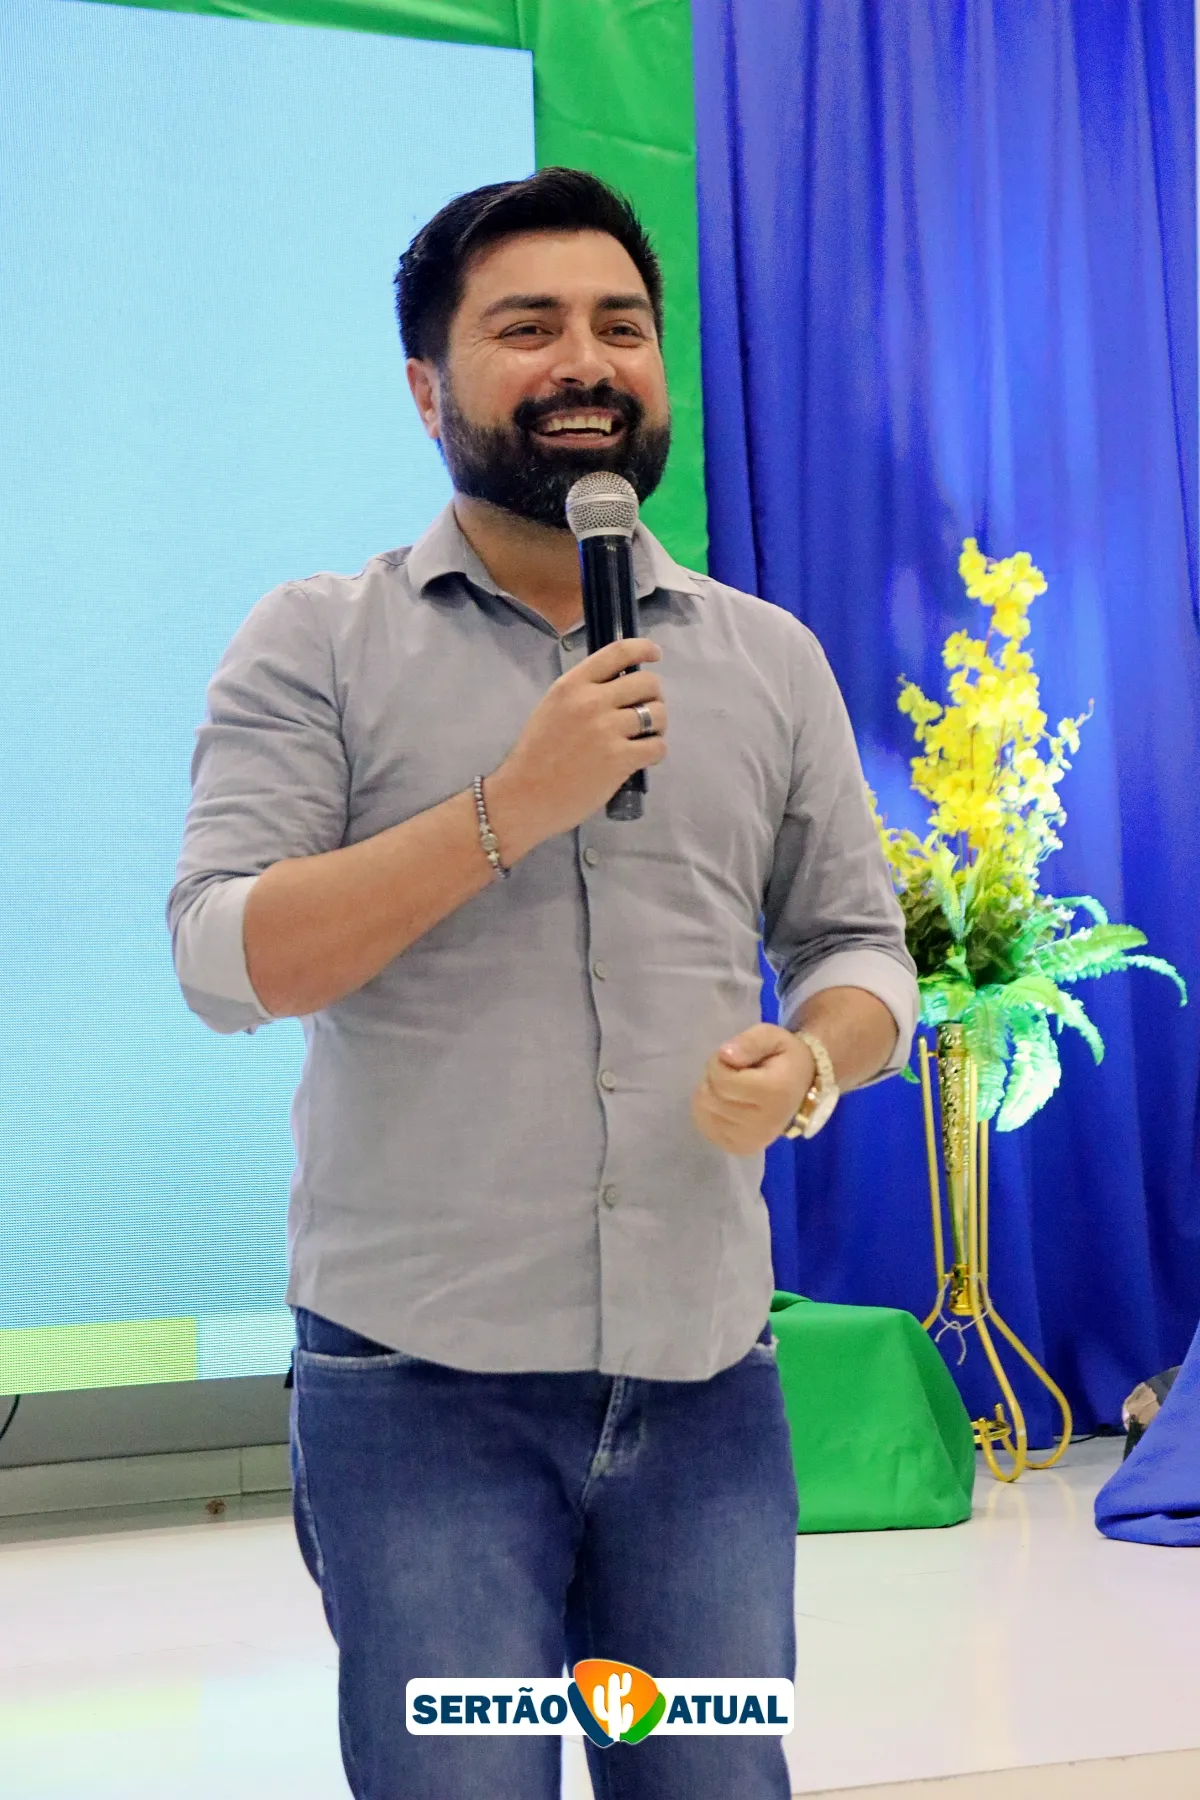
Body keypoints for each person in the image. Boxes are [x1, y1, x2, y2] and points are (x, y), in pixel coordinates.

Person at [168, 167, 918, 1800]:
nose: (585, 362)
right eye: (527, 328)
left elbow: (863, 952)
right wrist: (513, 805)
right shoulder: (318, 644)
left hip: (707, 1386)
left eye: (620, 326)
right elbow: (225, 958)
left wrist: (813, 1062)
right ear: (426, 386)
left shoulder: (768, 658)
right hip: (419, 1396)